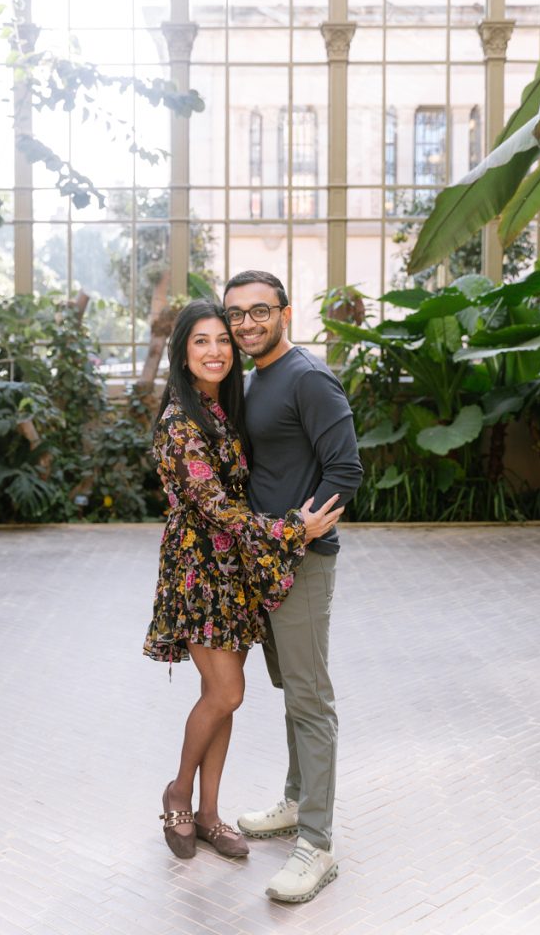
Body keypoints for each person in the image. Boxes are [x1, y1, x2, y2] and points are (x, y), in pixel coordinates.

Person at [142, 299, 344, 862]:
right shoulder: (181, 422)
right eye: (201, 341)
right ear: (183, 352)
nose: (215, 351)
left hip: (236, 572)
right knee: (227, 692)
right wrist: (293, 530)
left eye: (222, 341)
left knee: (221, 698)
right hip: (200, 572)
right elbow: (217, 508)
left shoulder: (225, 408)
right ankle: (179, 793)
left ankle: (209, 813)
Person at [222, 271, 363, 903]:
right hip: (265, 560)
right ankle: (296, 800)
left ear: (284, 312)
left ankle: (317, 843)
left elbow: (345, 468)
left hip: (300, 560)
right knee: (293, 692)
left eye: (260, 311)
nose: (246, 323)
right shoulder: (254, 379)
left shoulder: (307, 377)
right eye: (236, 314)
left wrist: (299, 533)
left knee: (310, 698)